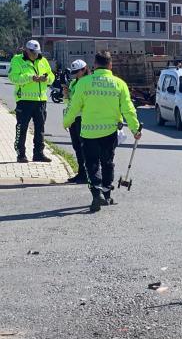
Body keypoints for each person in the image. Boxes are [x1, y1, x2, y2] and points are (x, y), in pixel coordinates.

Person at [63, 51, 141, 213]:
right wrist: (135, 128)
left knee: (91, 163)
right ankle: (107, 194)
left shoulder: (84, 83)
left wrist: (67, 121)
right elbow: (128, 109)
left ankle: (96, 193)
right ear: (110, 65)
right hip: (109, 132)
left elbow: (74, 106)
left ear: (95, 65)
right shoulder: (119, 84)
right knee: (107, 162)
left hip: (88, 132)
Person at [9, 40, 55, 163]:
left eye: (37, 52)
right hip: (24, 100)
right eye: (33, 52)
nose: (35, 55)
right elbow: (13, 77)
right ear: (26, 50)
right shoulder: (17, 60)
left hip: (41, 100)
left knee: (40, 128)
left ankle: (38, 154)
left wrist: (46, 79)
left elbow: (51, 76)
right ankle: (21, 154)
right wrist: (30, 78)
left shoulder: (43, 60)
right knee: (22, 127)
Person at [63, 59, 91, 184]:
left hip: (83, 118)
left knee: (84, 147)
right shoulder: (73, 83)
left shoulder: (88, 82)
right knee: (77, 147)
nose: (75, 75)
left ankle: (87, 174)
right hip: (73, 117)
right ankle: (81, 173)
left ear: (84, 69)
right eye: (73, 72)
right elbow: (68, 102)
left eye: (77, 72)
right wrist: (65, 95)